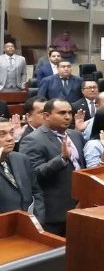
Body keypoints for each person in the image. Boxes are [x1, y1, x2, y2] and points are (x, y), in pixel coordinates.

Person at [20, 99, 86, 236]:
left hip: (81, 205)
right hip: (55, 213)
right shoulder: (32, 140)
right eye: (62, 113)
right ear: (46, 116)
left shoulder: (76, 135)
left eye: (69, 112)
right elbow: (33, 175)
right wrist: (61, 159)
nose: (68, 117)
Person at [0, 118, 45, 223]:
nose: (10, 138)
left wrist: (37, 221)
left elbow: (36, 192)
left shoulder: (21, 159)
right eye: (2, 134)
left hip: (28, 226)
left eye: (11, 133)